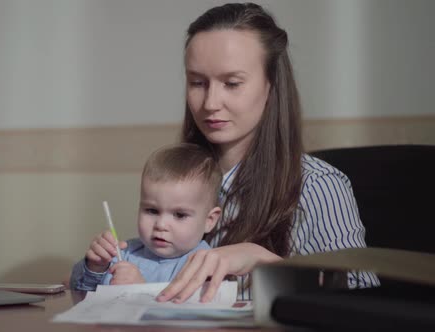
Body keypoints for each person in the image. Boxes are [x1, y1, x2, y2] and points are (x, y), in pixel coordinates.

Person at [156, 2, 379, 304]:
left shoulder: (318, 185)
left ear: (271, 86)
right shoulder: (178, 178)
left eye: (232, 83)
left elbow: (361, 299)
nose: (210, 102)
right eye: (197, 83)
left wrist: (265, 262)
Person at [70, 143, 223, 291]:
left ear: (209, 221)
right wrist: (96, 266)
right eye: (152, 210)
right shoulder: (125, 253)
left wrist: (142, 290)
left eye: (179, 215)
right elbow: (79, 290)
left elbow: (193, 308)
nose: (161, 225)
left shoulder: (204, 263)